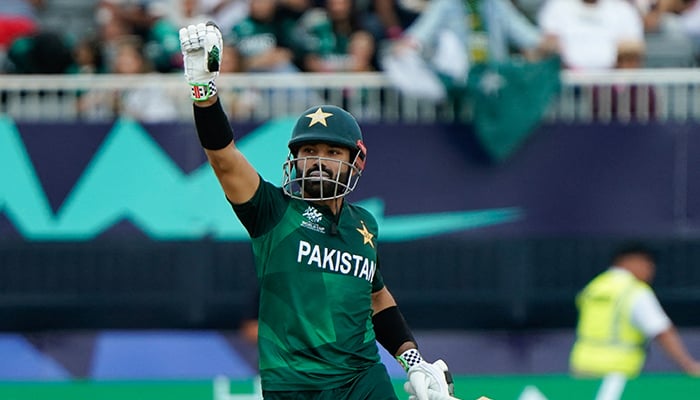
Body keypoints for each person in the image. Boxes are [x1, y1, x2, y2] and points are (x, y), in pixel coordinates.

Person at [179, 21, 460, 400]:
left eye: (332, 153)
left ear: (355, 162)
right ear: (295, 160)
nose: (318, 161)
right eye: (309, 152)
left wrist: (412, 360)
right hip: (294, 386)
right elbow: (223, 158)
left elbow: (376, 297)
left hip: (362, 379)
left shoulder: (364, 225)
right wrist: (204, 90)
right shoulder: (272, 211)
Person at [570, 242, 700, 379]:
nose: (651, 270)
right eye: (648, 263)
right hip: (618, 371)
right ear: (630, 261)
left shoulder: (594, 287)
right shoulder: (635, 291)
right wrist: (688, 365)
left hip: (581, 367)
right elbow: (661, 330)